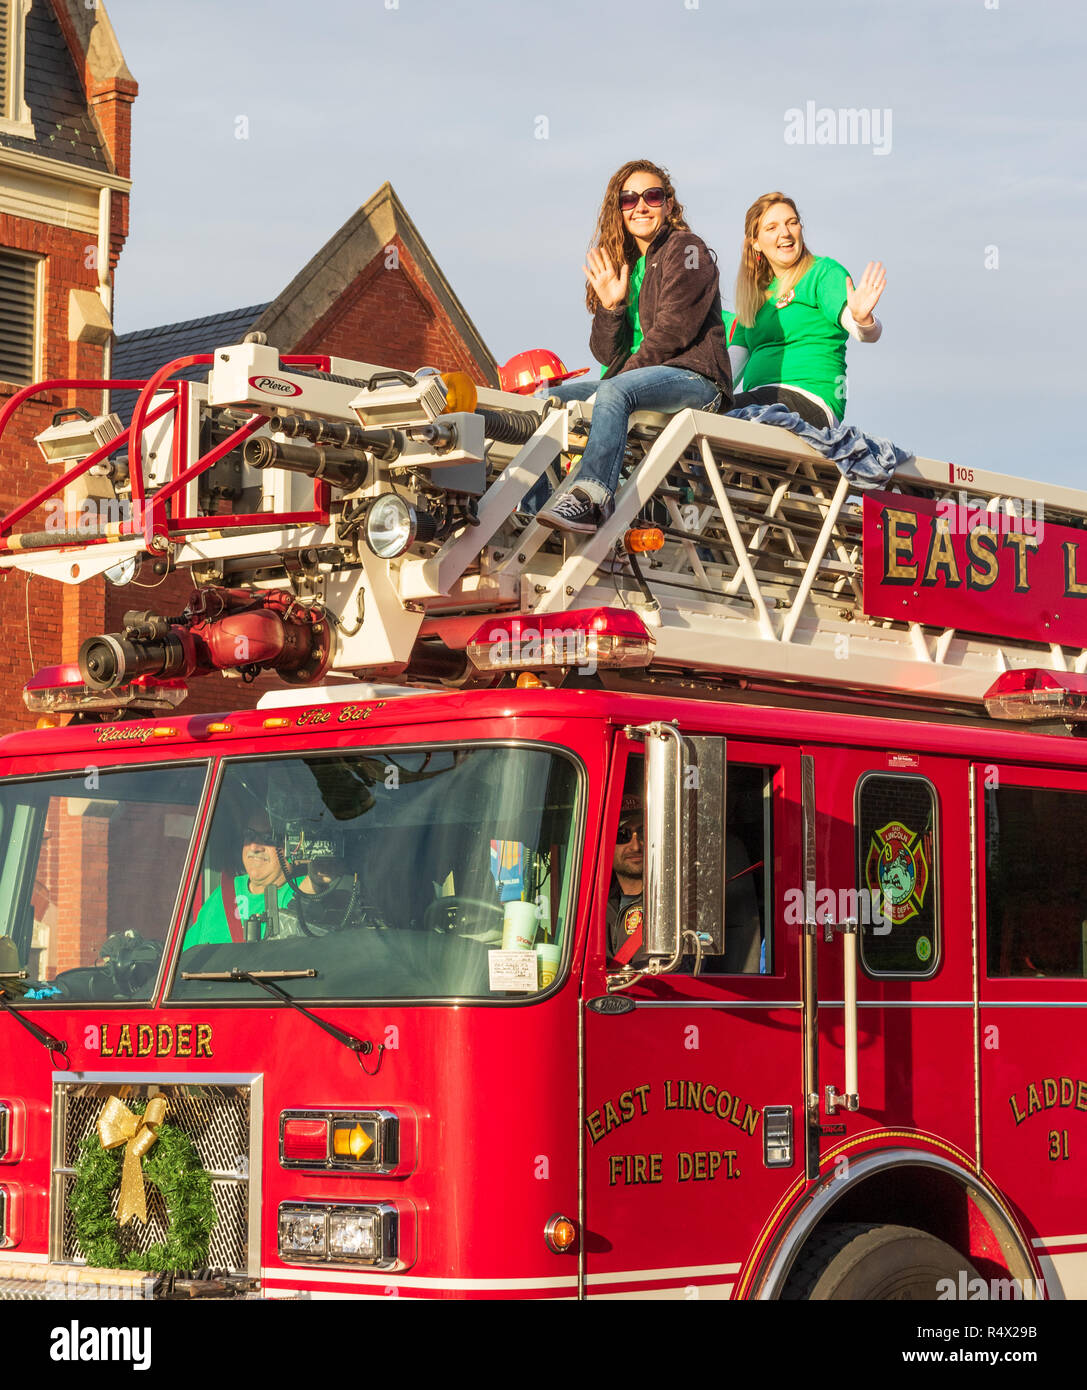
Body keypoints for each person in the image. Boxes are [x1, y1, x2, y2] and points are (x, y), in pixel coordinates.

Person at [532, 160, 732, 535]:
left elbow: (674, 332)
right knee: (546, 398)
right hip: (636, 379)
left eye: (652, 196)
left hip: (695, 379)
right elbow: (606, 354)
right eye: (629, 199)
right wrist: (611, 307)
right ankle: (534, 506)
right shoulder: (629, 264)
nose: (641, 206)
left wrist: (615, 384)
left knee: (612, 388)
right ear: (619, 210)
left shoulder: (687, 250)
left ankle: (590, 496)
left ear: (669, 204)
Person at [724, 192, 885, 429]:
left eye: (792, 223)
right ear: (755, 243)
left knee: (731, 416)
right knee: (700, 414)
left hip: (811, 401)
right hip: (759, 400)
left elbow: (864, 332)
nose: (785, 233)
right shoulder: (753, 299)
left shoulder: (822, 272)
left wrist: (863, 319)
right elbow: (728, 373)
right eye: (772, 227)